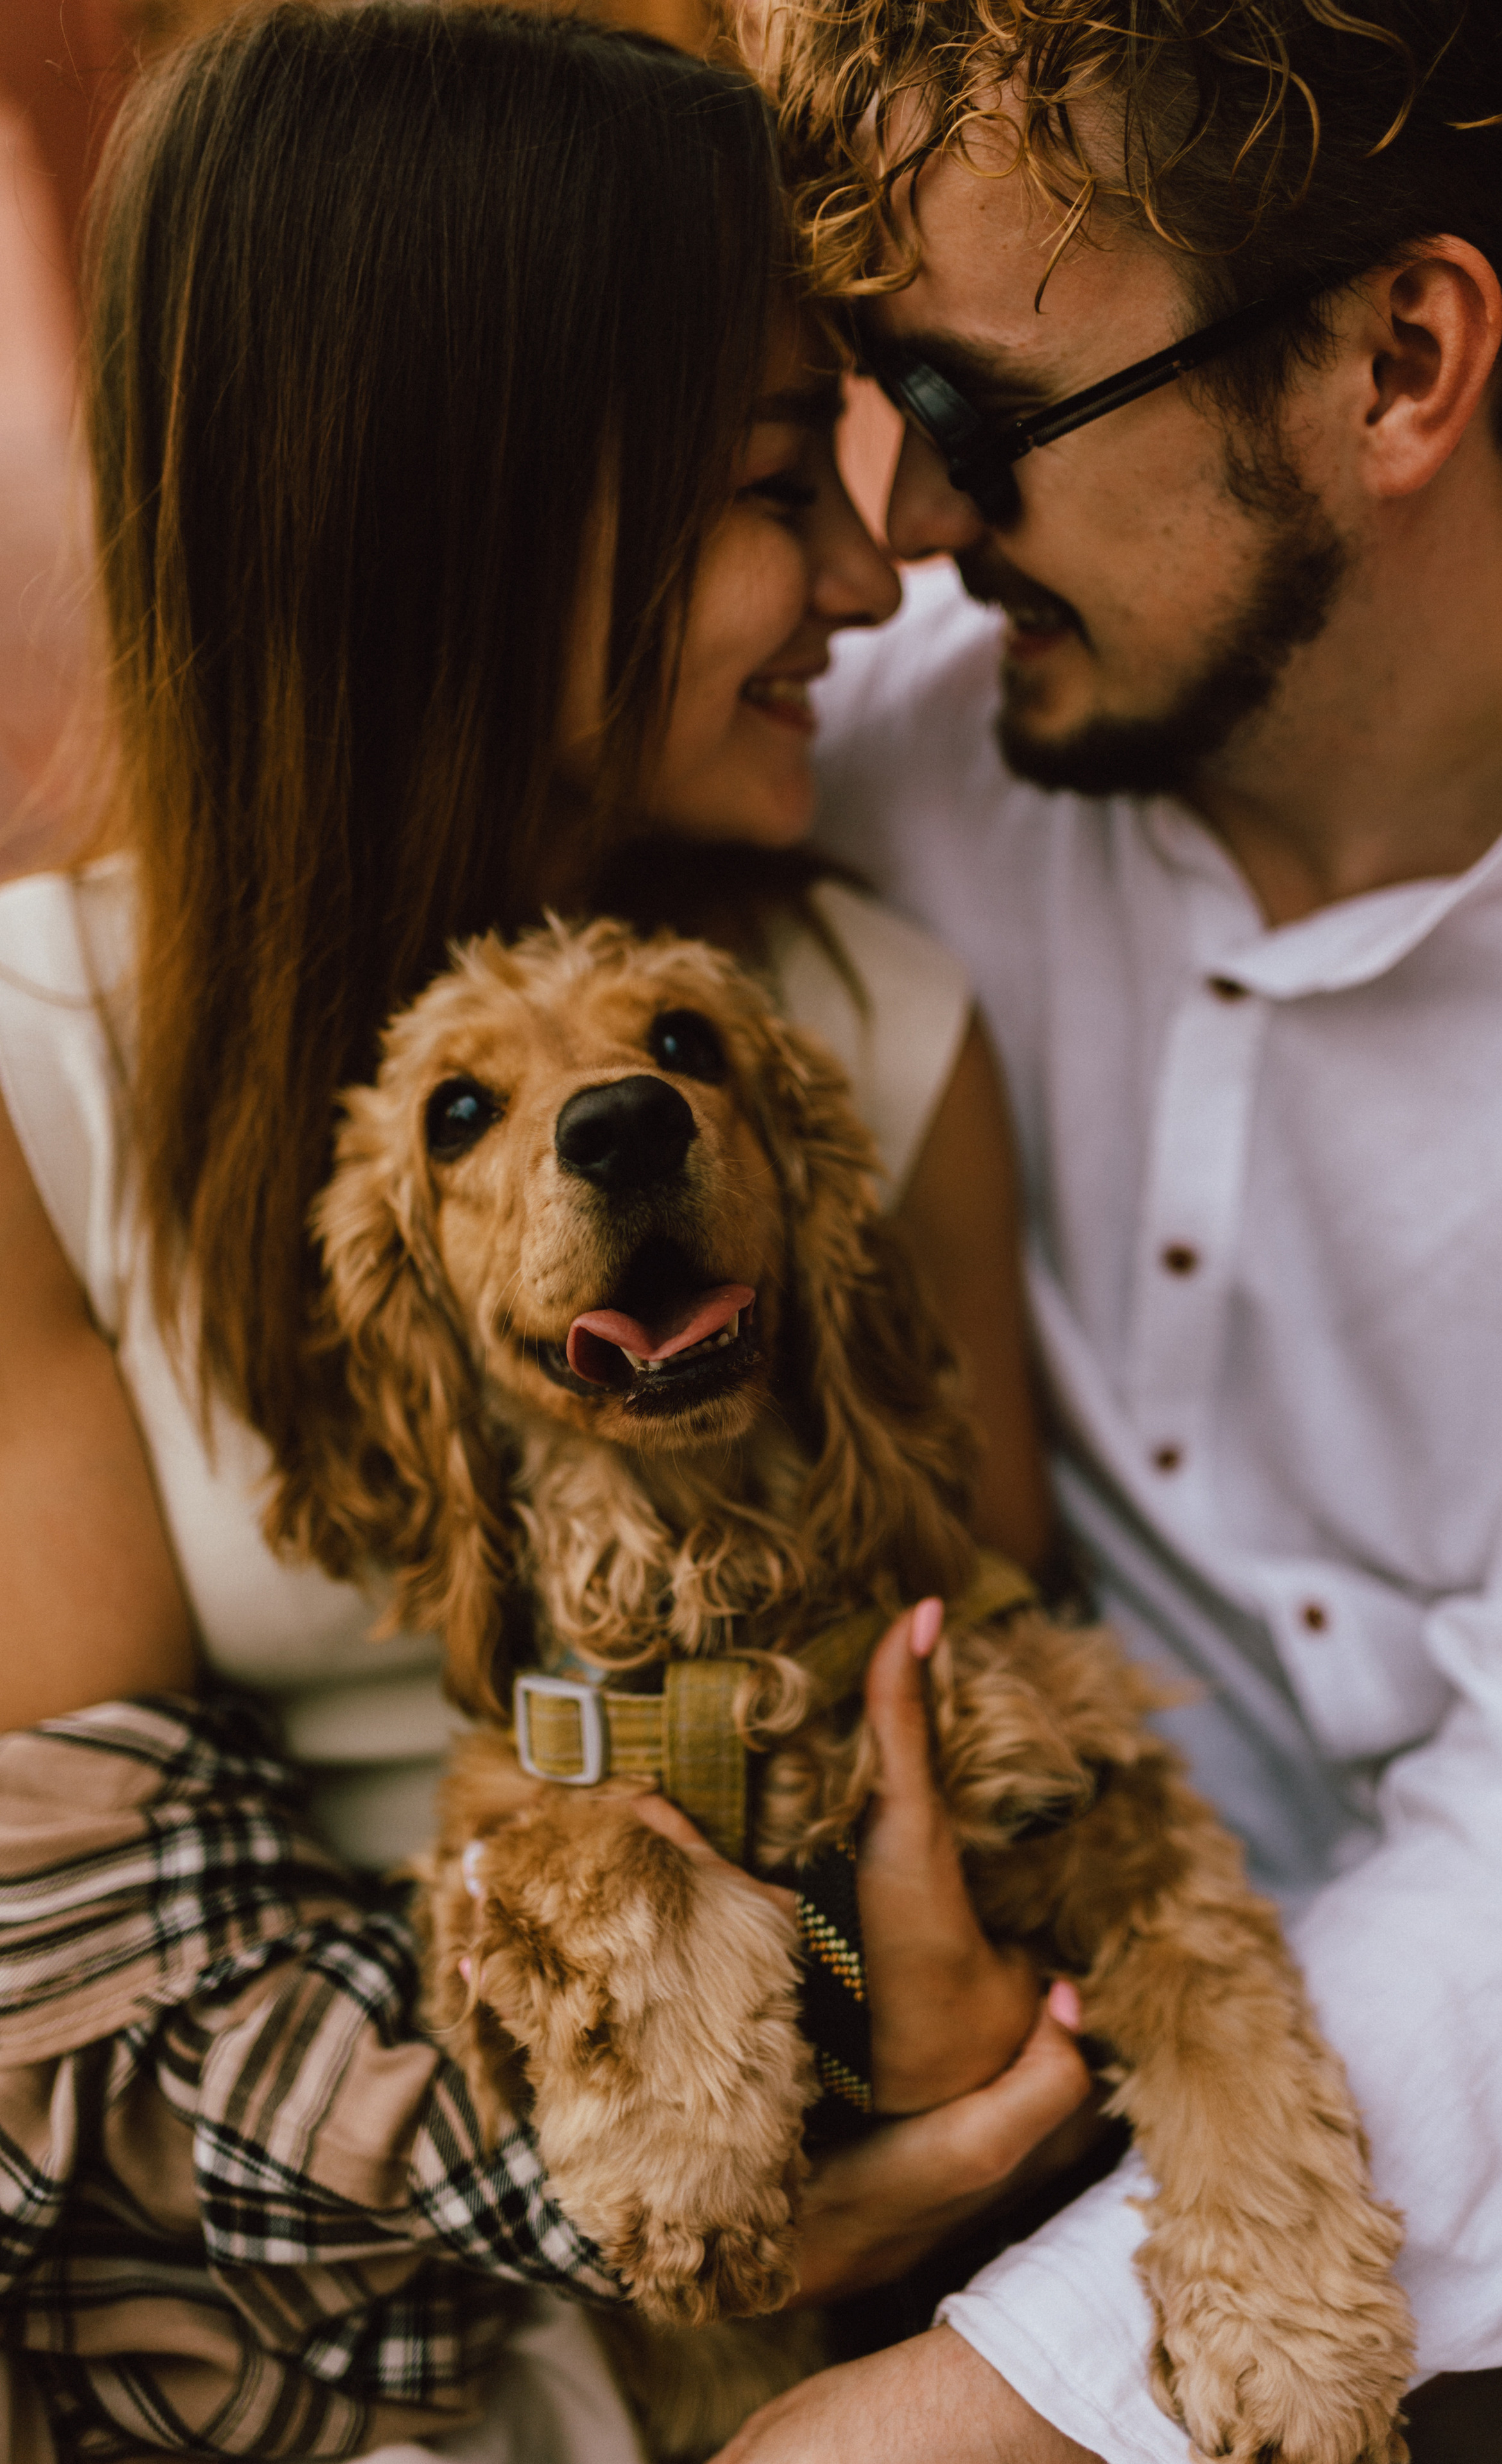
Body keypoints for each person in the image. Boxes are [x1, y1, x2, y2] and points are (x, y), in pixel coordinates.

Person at [0, 6, 1094, 2454]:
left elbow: (964, 1749)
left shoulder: (853, 1046)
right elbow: (71, 1982)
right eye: (763, 478)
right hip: (276, 2359)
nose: (858, 574)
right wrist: (678, 2168)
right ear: (439, 522)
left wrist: (895, 2064)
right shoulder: (38, 1072)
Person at [704, 1, 1502, 2460]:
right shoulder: (884, 747)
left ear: (1400, 361)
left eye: (981, 416)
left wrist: (978, 2401)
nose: (899, 533)